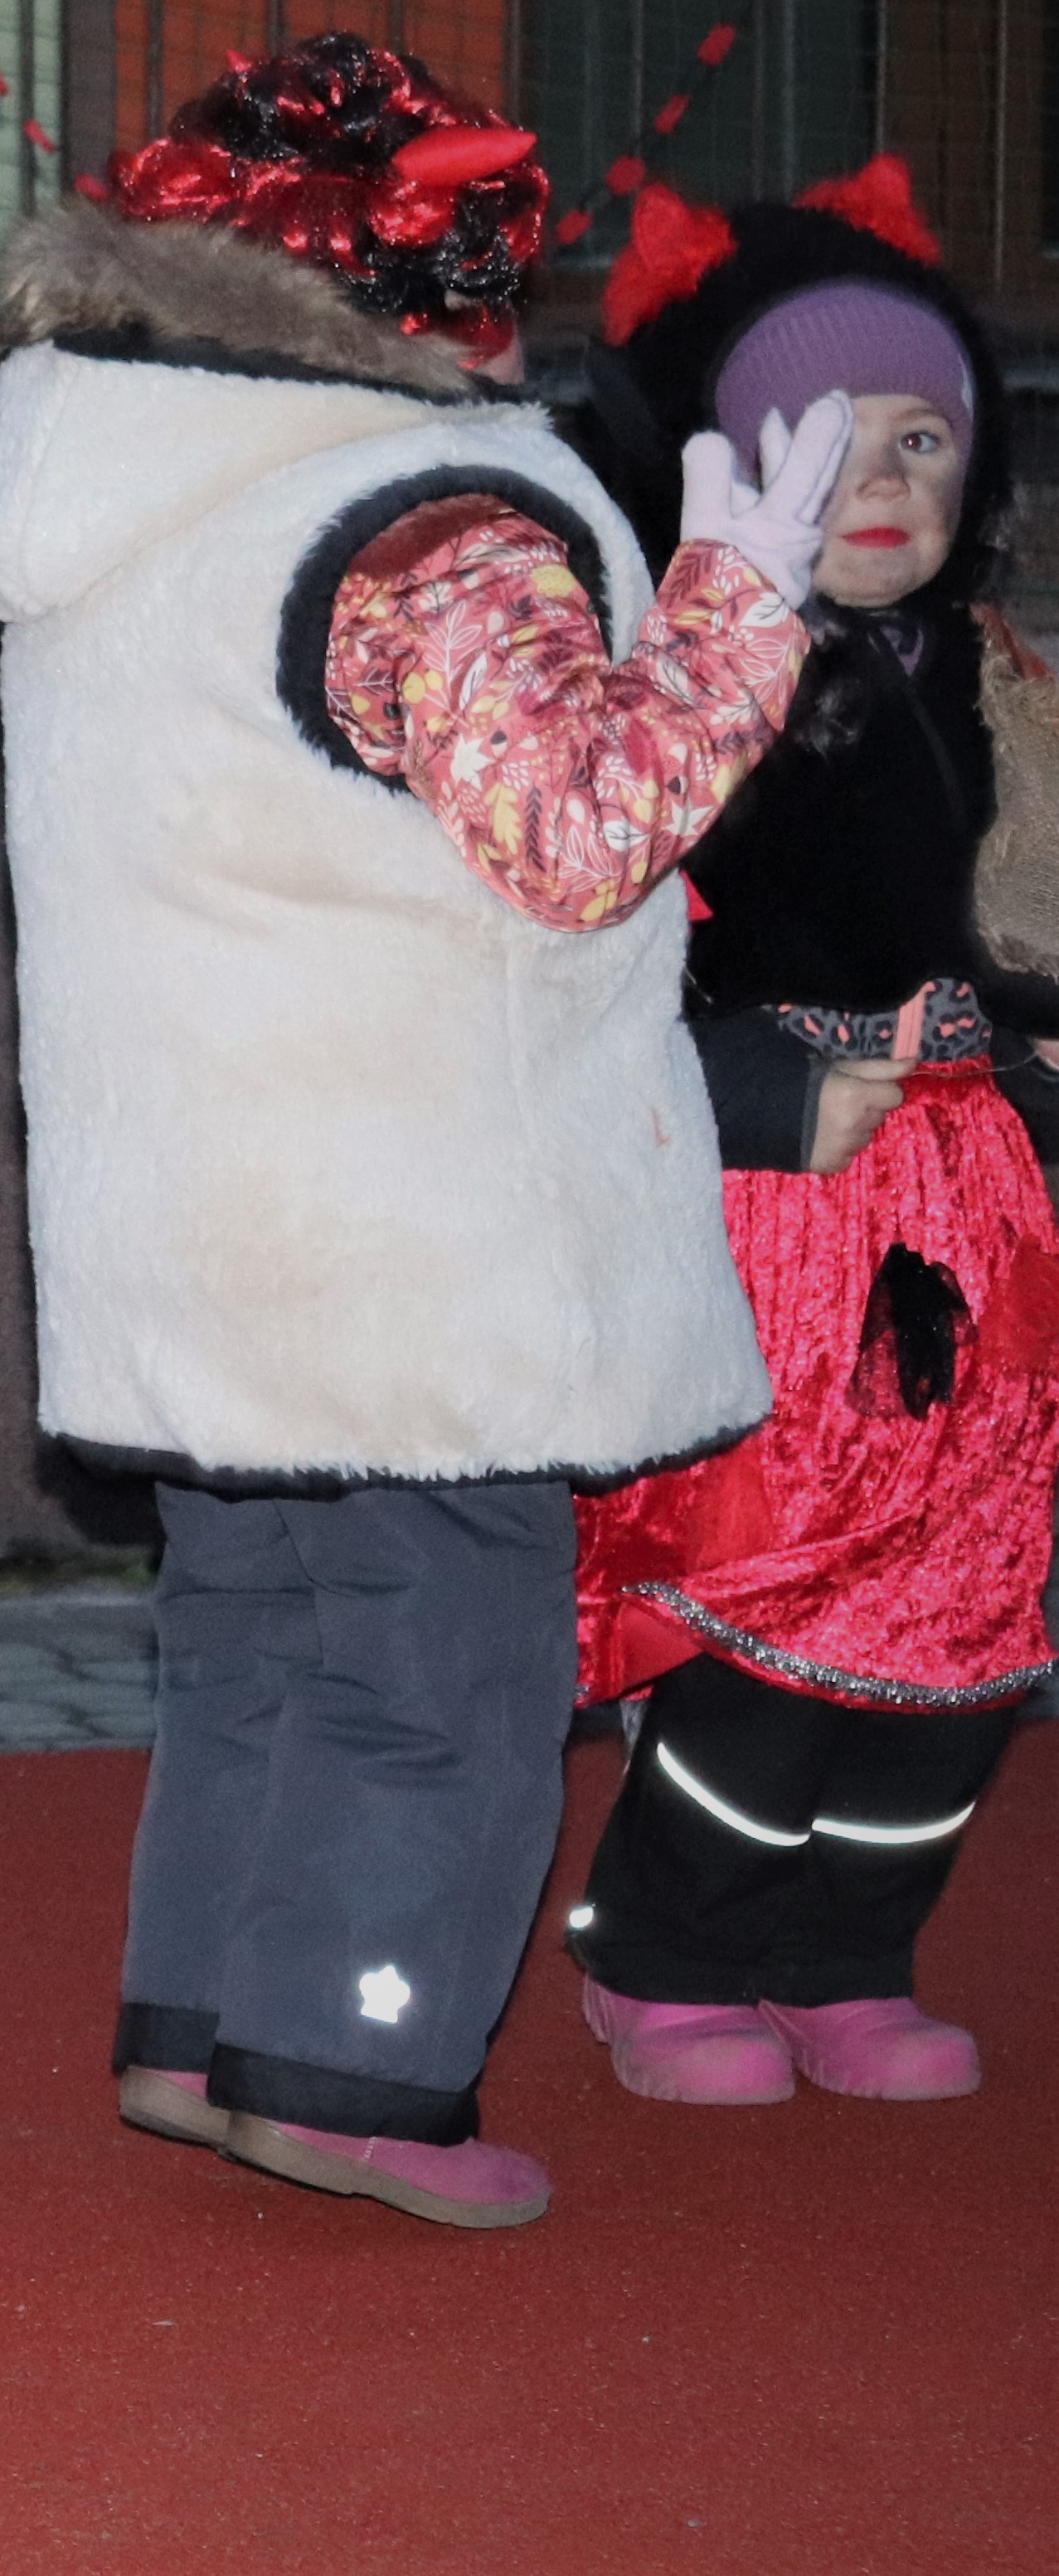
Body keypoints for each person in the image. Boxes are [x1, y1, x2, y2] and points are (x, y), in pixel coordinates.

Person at [0, 36, 849, 2231]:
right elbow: (576, 828)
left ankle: (201, 2027)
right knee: (436, 1659)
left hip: (196, 1201)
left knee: (249, 1633)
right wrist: (737, 604)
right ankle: (350, 2059)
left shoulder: (118, 478)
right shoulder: (425, 520)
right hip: (416, 1212)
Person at [560, 160, 1051, 2106]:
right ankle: (667, 1957)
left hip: (978, 1212)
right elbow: (576, 965)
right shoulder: (669, 699)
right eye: (824, 442)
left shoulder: (996, 685)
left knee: (967, 1611)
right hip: (775, 1204)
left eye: (921, 439)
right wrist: (766, 1084)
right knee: (779, 1597)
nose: (881, 481)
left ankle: (846, 1952)